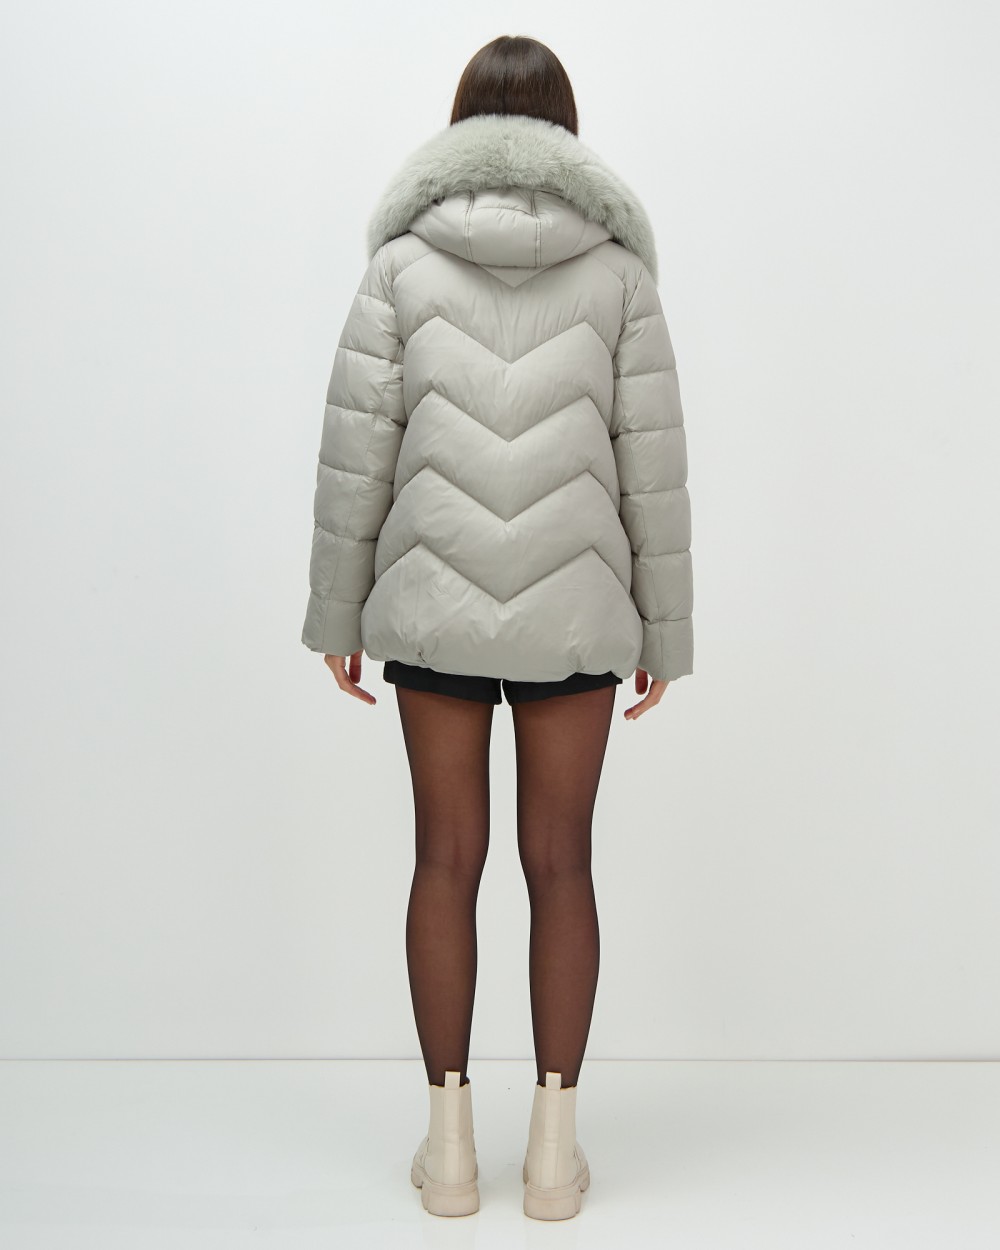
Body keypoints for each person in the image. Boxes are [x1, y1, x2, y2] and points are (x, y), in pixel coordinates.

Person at [300, 34, 694, 1221]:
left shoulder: (400, 266)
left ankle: (451, 1151)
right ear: (564, 131)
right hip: (579, 608)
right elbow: (652, 461)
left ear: (461, 126)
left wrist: (338, 612)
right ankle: (554, 1161)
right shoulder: (618, 273)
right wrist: (663, 631)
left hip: (434, 606)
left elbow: (356, 449)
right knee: (561, 861)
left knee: (443, 859)